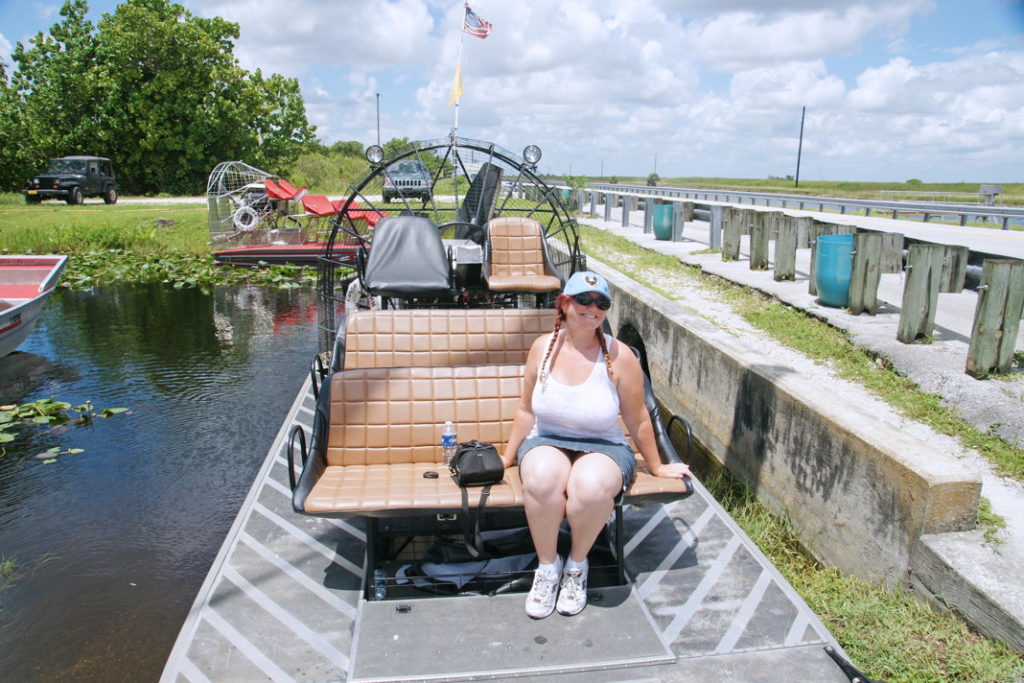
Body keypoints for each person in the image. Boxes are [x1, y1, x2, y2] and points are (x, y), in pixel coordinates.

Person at [502, 270, 691, 618]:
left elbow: (637, 419)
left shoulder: (620, 357)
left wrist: (658, 464)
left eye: (601, 303)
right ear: (564, 303)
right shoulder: (543, 348)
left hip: (603, 445)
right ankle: (547, 568)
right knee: (543, 479)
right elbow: (526, 410)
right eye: (584, 300)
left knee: (588, 488)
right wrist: (506, 457)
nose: (593, 308)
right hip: (547, 439)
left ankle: (576, 566)